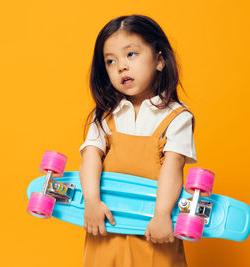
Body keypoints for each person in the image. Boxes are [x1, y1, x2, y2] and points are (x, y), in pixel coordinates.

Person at [78, 14, 197, 267]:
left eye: (131, 54)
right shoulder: (105, 116)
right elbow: (90, 157)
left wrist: (163, 214)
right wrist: (91, 202)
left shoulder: (176, 117)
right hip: (107, 225)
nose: (121, 66)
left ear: (160, 60)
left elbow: (172, 166)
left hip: (153, 228)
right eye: (110, 61)